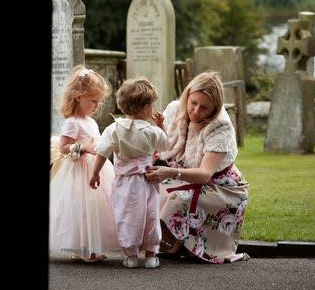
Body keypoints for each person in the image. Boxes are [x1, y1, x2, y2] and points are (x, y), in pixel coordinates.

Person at [145, 71, 250, 264]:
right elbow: (161, 145)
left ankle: (186, 244)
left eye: (204, 108)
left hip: (221, 187)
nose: (195, 111)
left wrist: (170, 172)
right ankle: (174, 243)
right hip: (184, 177)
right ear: (187, 95)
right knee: (145, 189)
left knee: (175, 199)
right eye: (193, 103)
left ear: (215, 108)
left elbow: (204, 174)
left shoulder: (221, 127)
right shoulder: (175, 109)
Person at [90, 77, 169, 269]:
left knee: (126, 216)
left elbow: (101, 153)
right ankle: (151, 256)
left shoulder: (113, 129)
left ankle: (131, 256)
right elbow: (165, 144)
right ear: (145, 109)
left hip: (124, 182)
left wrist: (95, 174)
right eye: (151, 105)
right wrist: (160, 125)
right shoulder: (152, 131)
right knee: (150, 215)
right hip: (147, 181)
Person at [49, 65, 118, 262]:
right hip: (79, 170)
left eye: (99, 102)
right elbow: (63, 147)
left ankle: (91, 247)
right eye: (93, 101)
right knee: (82, 207)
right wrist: (81, 147)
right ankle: (85, 249)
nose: (97, 106)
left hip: (96, 167)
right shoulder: (72, 122)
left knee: (98, 206)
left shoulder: (91, 121)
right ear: (78, 96)